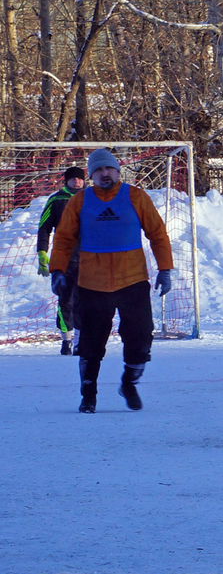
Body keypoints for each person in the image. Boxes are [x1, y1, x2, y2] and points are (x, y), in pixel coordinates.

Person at [47, 148, 173, 413]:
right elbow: (64, 238)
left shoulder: (136, 197)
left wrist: (165, 269)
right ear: (92, 175)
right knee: (91, 345)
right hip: (92, 283)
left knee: (140, 340)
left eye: (109, 169)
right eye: (99, 170)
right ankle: (88, 396)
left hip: (133, 281)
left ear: (118, 171)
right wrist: (57, 270)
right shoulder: (80, 201)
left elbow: (158, 234)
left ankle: (129, 382)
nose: (105, 174)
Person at [37, 166, 86, 355]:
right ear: (66, 181)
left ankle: (81, 340)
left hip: (88, 258)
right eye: (73, 179)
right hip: (64, 258)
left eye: (80, 179)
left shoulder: (92, 198)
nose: (77, 182)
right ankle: (67, 340)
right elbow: (44, 227)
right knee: (65, 300)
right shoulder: (56, 200)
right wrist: (42, 252)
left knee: (84, 300)